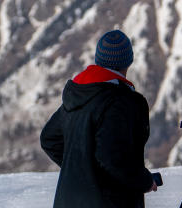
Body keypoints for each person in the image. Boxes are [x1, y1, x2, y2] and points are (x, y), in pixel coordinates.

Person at [40, 30, 160, 208]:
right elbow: (112, 158)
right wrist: (144, 181)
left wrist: (82, 169)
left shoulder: (79, 94)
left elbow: (49, 139)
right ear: (128, 61)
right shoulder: (121, 101)